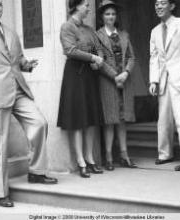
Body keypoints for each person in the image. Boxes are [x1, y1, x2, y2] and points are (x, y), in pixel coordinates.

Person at [0, 0, 58, 208]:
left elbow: (17, 59)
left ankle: (36, 172)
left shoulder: (9, 32)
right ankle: (0, 192)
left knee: (39, 123)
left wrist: (27, 65)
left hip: (18, 88)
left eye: (0, 3)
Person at [57, 0, 117, 178]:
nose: (89, 8)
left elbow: (99, 49)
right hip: (75, 77)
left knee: (90, 119)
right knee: (77, 120)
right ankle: (81, 161)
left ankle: (90, 159)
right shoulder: (67, 27)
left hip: (90, 77)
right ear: (77, 6)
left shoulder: (90, 29)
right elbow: (70, 50)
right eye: (86, 5)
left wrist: (97, 61)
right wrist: (92, 58)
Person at [149, 0, 180, 171]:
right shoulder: (155, 31)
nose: (159, 7)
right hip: (163, 80)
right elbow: (154, 57)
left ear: (172, 6)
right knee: (163, 120)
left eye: (162, 3)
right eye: (156, 4)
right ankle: (165, 154)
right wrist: (153, 80)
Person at [96, 0, 137, 171]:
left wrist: (126, 73)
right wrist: (115, 76)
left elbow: (131, 57)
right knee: (110, 120)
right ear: (102, 17)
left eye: (113, 14)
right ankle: (109, 157)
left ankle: (124, 155)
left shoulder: (124, 35)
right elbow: (99, 60)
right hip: (108, 82)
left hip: (124, 82)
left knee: (122, 120)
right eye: (107, 14)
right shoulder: (97, 35)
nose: (111, 17)